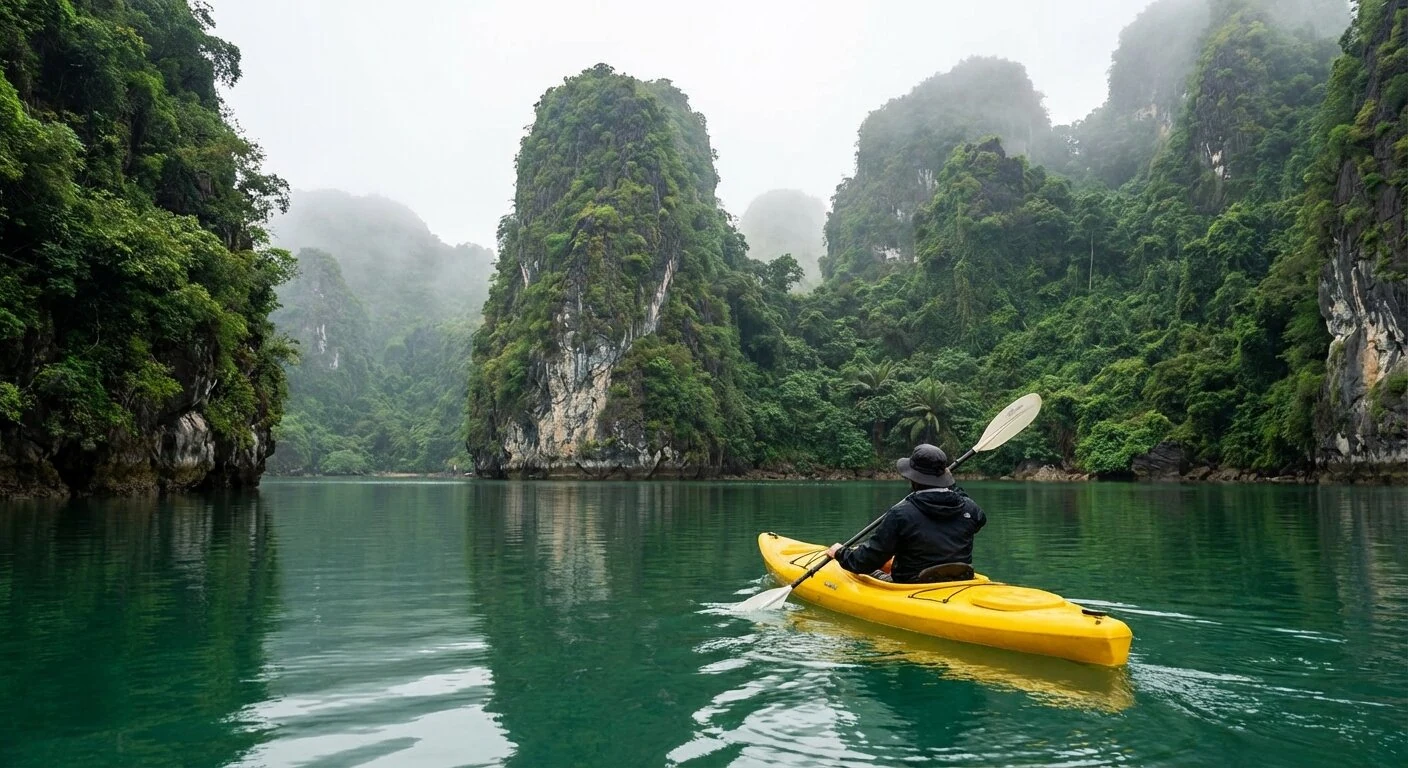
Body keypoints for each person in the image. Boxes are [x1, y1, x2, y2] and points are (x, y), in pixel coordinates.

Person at [825, 444, 986, 583]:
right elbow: (976, 517)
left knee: (868, 570)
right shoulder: (970, 509)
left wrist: (841, 553)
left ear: (913, 479)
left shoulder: (900, 514)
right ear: (944, 476)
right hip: (959, 580)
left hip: (910, 584)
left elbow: (863, 563)